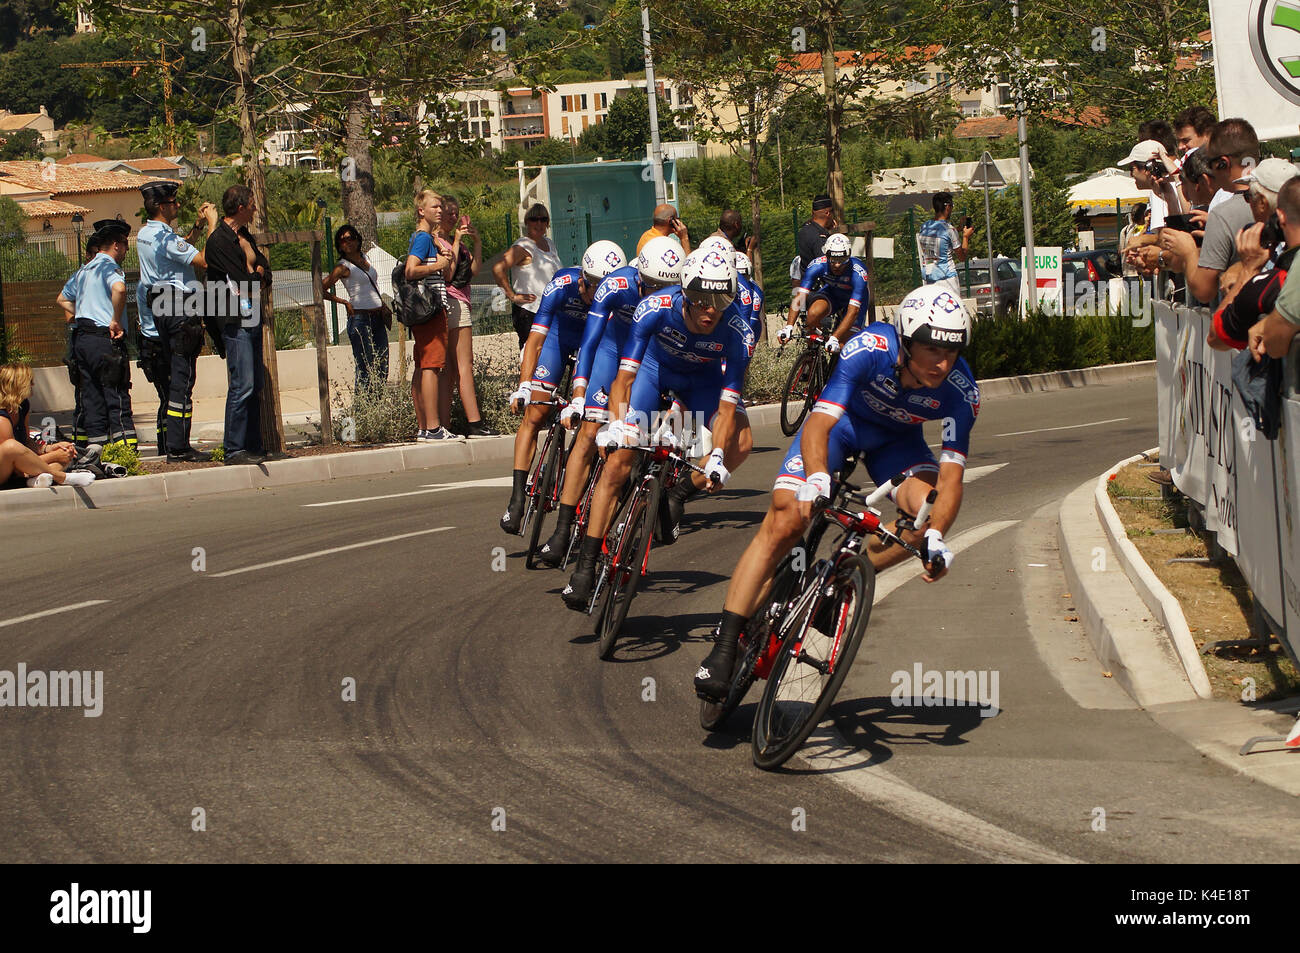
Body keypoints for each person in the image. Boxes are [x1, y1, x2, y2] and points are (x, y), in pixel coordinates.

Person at [694, 285, 977, 700]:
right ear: (906, 341)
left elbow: (950, 480)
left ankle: (840, 584)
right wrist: (818, 479)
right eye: (932, 349)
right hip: (839, 431)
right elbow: (819, 424)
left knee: (924, 522)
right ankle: (724, 646)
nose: (943, 361)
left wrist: (936, 536)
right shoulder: (869, 349)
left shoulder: (961, 391)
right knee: (787, 514)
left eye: (952, 352)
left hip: (897, 447)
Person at [561, 247, 755, 610]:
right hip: (654, 372)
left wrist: (715, 455)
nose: (710, 308)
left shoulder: (737, 331)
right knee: (619, 460)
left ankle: (676, 492)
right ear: (684, 292)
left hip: (703, 385)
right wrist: (618, 424)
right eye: (700, 298)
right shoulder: (654, 308)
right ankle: (585, 566)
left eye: (721, 298)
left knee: (741, 442)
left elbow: (727, 407)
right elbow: (624, 378)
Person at [534, 237, 681, 564]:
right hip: (612, 353)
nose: (658, 295)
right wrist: (577, 395)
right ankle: (561, 531)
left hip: (650, 362)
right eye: (652, 286)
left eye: (667, 287)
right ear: (638, 277)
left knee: (637, 448)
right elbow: (590, 342)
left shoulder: (682, 303)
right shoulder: (616, 285)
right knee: (588, 434)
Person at [500, 240, 627, 534]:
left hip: (594, 347)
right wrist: (524, 386)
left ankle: (573, 474)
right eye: (591, 282)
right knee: (535, 412)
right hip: (558, 339)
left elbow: (606, 351)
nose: (594, 290)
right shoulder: (563, 284)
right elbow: (535, 340)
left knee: (589, 423)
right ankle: (517, 496)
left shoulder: (617, 299)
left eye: (602, 284)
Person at [136, 179, 219, 463]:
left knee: (176, 377)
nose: (178, 205)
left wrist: (195, 228)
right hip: (179, 307)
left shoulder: (147, 234)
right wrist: (211, 225)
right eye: (173, 202)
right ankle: (179, 447)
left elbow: (180, 252)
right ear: (162, 206)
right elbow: (205, 260)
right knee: (182, 381)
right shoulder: (166, 239)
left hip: (161, 307)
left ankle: (175, 443)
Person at [204, 184, 272, 465]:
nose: (256, 209)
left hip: (251, 315)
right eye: (253, 204)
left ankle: (253, 445)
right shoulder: (218, 241)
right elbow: (242, 281)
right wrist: (255, 275)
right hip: (233, 318)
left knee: (254, 384)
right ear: (241, 207)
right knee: (242, 384)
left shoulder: (244, 236)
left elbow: (265, 269)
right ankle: (233, 449)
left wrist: (257, 274)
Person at [1159, 119, 1260, 306]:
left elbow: (1204, 290)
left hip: (1239, 322)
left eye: (1211, 163)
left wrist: (1188, 251)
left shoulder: (1223, 214)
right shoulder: (1281, 197)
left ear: (1223, 164)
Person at [63, 219, 137, 453]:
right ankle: (126, 454)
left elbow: (62, 299)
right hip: (105, 340)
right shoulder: (110, 267)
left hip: (83, 340)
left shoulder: (85, 269)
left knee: (91, 397)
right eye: (125, 245)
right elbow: (120, 289)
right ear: (116, 244)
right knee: (116, 396)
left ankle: (97, 453)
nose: (126, 250)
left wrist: (83, 311)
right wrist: (115, 319)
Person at [437, 195, 496, 437]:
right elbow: (449, 274)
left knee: (451, 370)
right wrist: (457, 241)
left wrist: (476, 241)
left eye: (456, 213)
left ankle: (445, 423)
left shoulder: (455, 242)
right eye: (449, 213)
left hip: (460, 301)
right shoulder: (439, 241)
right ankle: (474, 422)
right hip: (454, 303)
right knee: (464, 366)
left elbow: (473, 270)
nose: (453, 217)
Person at [405, 189, 458, 441]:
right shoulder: (423, 238)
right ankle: (433, 428)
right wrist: (438, 264)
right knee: (431, 366)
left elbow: (443, 274)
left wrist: (444, 261)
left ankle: (424, 426)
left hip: (428, 311)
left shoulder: (426, 239)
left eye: (440, 206)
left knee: (423, 366)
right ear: (421, 210)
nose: (440, 210)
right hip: (431, 309)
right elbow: (411, 270)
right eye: (434, 207)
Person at [0, 362, 95, 489]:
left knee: (63, 456)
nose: (33, 384)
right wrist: (53, 456)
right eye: (30, 381)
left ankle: (33, 480)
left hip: (18, 471)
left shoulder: (23, 406)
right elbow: (16, 464)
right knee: (11, 446)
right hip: (8, 470)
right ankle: (61, 477)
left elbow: (27, 442)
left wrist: (50, 448)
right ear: (18, 384)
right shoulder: (1, 418)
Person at [323, 223, 390, 393]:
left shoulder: (366, 258)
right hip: (360, 319)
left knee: (382, 364)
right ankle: (361, 410)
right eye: (343, 240)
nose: (348, 242)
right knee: (364, 367)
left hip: (377, 317)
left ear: (357, 239)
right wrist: (344, 302)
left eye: (350, 237)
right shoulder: (343, 267)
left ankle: (376, 406)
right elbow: (319, 289)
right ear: (339, 246)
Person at [777, 233, 870, 349]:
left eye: (842, 260)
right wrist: (788, 327)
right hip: (832, 294)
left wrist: (835, 338)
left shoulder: (859, 273)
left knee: (844, 346)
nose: (837, 265)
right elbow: (799, 297)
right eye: (833, 260)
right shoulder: (817, 265)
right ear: (826, 255)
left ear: (849, 255)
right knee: (812, 314)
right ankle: (812, 355)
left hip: (854, 303)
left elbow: (853, 311)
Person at [493, 204, 563, 351]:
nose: (539, 223)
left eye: (543, 219)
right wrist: (512, 296)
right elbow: (498, 269)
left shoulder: (549, 243)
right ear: (527, 222)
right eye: (534, 219)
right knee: (531, 356)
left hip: (550, 311)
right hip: (530, 312)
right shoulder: (523, 246)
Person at [56, 232, 101, 448]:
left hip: (96, 338)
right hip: (81, 338)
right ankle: (81, 444)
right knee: (84, 395)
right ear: (87, 256)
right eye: (93, 254)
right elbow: (63, 300)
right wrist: (81, 315)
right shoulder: (81, 275)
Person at [917, 192, 973, 296]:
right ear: (947, 206)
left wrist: (958, 229)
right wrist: (965, 237)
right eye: (952, 205)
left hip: (930, 278)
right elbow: (962, 257)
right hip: (948, 279)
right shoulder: (949, 229)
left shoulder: (924, 227)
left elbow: (940, 235)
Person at [796, 194, 836, 279]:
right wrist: (835, 237)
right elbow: (829, 265)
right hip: (820, 288)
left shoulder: (804, 230)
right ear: (828, 213)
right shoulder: (820, 237)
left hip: (807, 284)